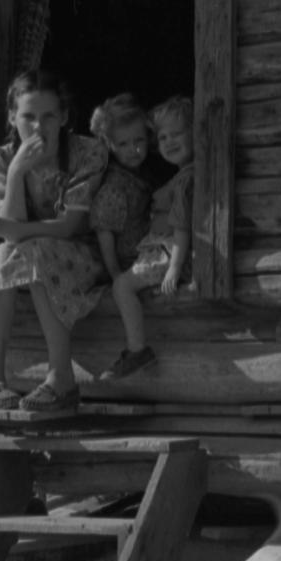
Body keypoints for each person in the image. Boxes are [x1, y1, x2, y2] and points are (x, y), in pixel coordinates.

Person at [0, 70, 108, 416]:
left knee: (34, 249)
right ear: (13, 117)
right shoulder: (2, 158)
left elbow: (70, 226)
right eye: (28, 116)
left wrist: (2, 226)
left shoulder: (88, 153)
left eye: (48, 116)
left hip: (82, 256)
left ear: (63, 118)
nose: (38, 126)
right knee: (0, 256)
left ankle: (61, 378)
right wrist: (16, 172)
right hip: (27, 254)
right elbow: (11, 233)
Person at [99, 94, 195, 379]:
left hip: (169, 253)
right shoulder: (176, 177)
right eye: (163, 137)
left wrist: (175, 268)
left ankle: (137, 350)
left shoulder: (186, 180)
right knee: (123, 283)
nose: (169, 142)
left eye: (177, 134)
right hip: (161, 251)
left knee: (122, 288)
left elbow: (182, 227)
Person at [88, 94, 158, 379]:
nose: (134, 150)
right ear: (109, 145)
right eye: (124, 144)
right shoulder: (115, 186)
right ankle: (136, 350)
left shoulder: (141, 175)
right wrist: (116, 272)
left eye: (139, 141)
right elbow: (105, 232)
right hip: (127, 258)